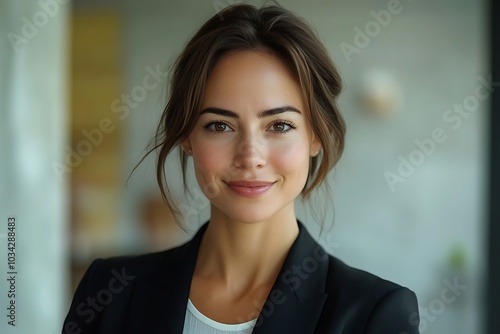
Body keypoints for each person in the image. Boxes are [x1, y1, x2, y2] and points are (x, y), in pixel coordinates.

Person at [62, 3, 420, 334]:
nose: (250, 156)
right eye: (220, 125)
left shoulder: (374, 314)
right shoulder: (108, 292)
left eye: (279, 125)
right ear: (187, 137)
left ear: (316, 137)